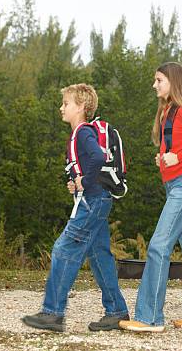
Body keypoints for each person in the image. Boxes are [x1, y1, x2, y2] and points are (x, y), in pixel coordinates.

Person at [119, 62, 182, 332]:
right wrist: (165, 160)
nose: (154, 85)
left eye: (159, 80)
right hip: (178, 183)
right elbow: (180, 147)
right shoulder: (168, 112)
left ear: (172, 82)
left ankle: (149, 318)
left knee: (158, 246)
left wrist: (179, 157)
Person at [22, 83, 129, 333]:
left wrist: (87, 180)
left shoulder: (82, 132)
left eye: (66, 103)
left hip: (93, 202)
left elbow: (98, 158)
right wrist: (77, 183)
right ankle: (116, 312)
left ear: (81, 107)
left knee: (63, 249)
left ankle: (52, 313)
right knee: (99, 255)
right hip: (97, 199)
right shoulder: (81, 133)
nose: (62, 107)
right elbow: (90, 163)